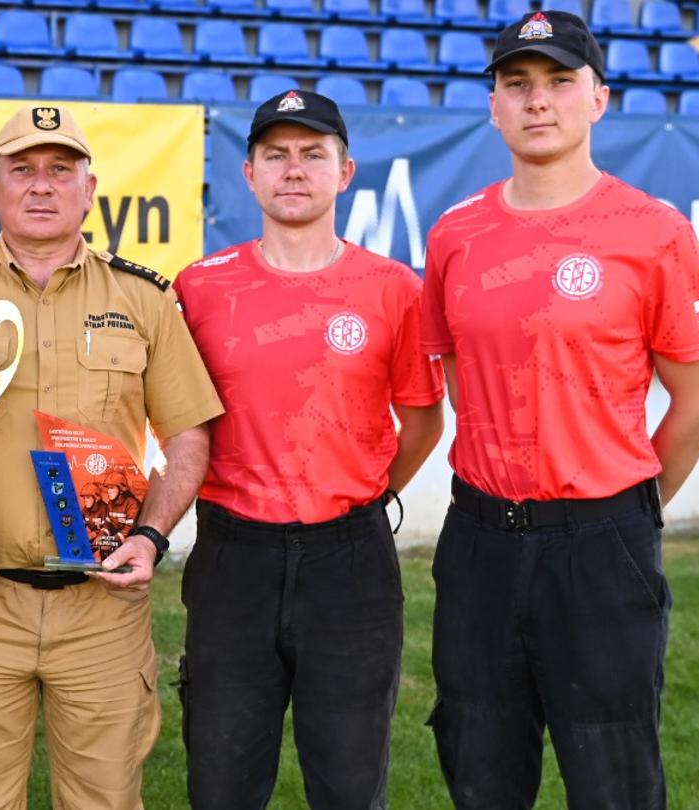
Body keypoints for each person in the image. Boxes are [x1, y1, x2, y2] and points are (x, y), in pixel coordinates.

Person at [0, 106, 224, 809]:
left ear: (89, 188)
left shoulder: (145, 299)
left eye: (60, 170)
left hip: (102, 607)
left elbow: (188, 436)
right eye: (23, 170)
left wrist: (153, 537)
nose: (42, 186)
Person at [420, 11, 699, 809]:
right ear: (493, 106)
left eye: (560, 81)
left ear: (599, 98)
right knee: (480, 771)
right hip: (480, 543)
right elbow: (459, 372)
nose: (538, 101)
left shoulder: (654, 232)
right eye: (516, 85)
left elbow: (697, 405)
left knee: (614, 780)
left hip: (601, 546)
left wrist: (626, 514)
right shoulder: (455, 234)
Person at [173, 89, 446, 810]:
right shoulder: (200, 288)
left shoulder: (393, 289)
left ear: (345, 170)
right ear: (250, 173)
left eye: (312, 155)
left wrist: (362, 496)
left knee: (351, 783)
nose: (294, 170)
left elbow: (422, 420)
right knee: (222, 780)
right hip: (234, 559)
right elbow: (180, 421)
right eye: (277, 155)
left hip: (349, 564)